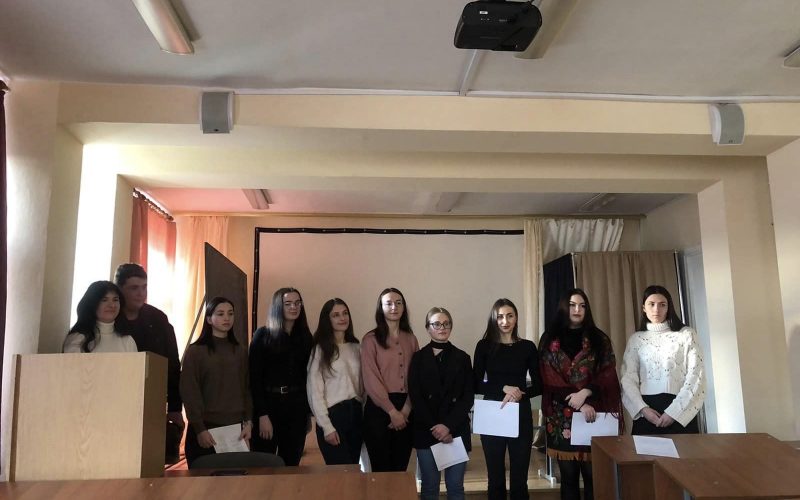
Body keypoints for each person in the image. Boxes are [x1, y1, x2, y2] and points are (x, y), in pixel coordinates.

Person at [539, 289, 622, 500]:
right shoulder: (549, 338)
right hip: (561, 417)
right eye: (572, 305)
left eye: (582, 305)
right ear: (564, 307)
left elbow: (608, 374)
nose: (577, 309)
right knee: (568, 478)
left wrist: (586, 392)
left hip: (593, 412)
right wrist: (578, 402)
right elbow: (548, 378)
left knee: (593, 477)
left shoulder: (599, 339)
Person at [114, 263, 184, 463]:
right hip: (118, 400)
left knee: (150, 460)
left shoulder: (158, 318)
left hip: (153, 399)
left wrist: (175, 407)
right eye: (134, 288)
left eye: (144, 287)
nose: (141, 293)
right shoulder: (110, 318)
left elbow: (172, 364)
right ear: (120, 289)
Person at [473, 298, 541, 500]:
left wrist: (520, 392)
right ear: (493, 319)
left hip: (520, 414)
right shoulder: (484, 346)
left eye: (509, 316)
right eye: (500, 316)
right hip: (492, 414)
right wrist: (503, 387)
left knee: (520, 479)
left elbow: (539, 385)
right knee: (495, 478)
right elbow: (475, 383)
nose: (505, 321)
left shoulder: (527, 347)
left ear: (516, 318)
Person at [621, 285, 706, 435]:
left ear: (669, 307)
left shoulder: (686, 335)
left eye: (662, 304)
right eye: (651, 304)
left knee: (684, 451)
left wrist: (674, 412)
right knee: (645, 451)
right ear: (644, 308)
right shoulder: (636, 340)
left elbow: (696, 377)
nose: (656, 309)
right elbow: (628, 378)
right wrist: (643, 409)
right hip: (647, 413)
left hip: (680, 412)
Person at [408, 307, 473, 500]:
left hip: (455, 431)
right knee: (429, 487)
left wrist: (447, 426)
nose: (442, 328)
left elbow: (467, 397)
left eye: (446, 324)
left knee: (456, 487)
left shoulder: (463, 358)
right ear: (428, 328)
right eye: (436, 324)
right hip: (427, 429)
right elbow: (416, 396)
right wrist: (436, 427)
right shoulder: (418, 358)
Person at [180, 297, 252, 467]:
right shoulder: (196, 352)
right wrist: (199, 428)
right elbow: (190, 391)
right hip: (206, 427)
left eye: (230, 314)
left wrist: (248, 422)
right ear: (209, 319)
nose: (227, 318)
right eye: (220, 314)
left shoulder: (240, 351)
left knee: (235, 479)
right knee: (204, 480)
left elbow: (247, 388)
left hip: (236, 428)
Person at [250, 287, 314, 465]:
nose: (294, 307)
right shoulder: (262, 335)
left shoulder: (305, 337)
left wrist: (307, 414)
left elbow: (308, 377)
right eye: (288, 303)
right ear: (278, 306)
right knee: (264, 465)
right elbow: (254, 378)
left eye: (297, 303)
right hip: (269, 406)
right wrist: (262, 415)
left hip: (296, 408)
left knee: (292, 463)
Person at [361, 287, 419, 472]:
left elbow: (416, 377)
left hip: (406, 408)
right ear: (381, 308)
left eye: (398, 303)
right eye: (389, 303)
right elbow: (371, 378)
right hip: (379, 409)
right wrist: (392, 412)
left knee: (400, 468)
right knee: (381, 470)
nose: (394, 307)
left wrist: (406, 410)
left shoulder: (411, 339)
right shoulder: (370, 339)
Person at [306, 298, 363, 465]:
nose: (342, 318)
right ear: (327, 319)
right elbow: (314, 392)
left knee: (353, 469)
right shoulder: (320, 350)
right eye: (336, 315)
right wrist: (326, 426)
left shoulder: (356, 347)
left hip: (355, 413)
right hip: (333, 415)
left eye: (345, 313)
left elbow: (363, 385)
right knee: (340, 472)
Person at [63, 280, 137, 353]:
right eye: (104, 300)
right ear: (92, 304)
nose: (112, 305)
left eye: (115, 300)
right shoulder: (77, 340)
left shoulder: (127, 340)